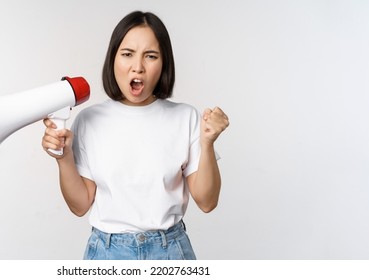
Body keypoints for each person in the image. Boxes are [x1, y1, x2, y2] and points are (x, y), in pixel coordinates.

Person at [41, 11, 229, 260]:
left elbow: (207, 202)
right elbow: (80, 205)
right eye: (127, 54)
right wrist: (63, 158)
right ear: (113, 59)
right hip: (106, 253)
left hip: (170, 252)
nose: (137, 67)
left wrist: (207, 143)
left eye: (150, 56)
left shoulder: (186, 117)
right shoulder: (89, 120)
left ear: (163, 64)